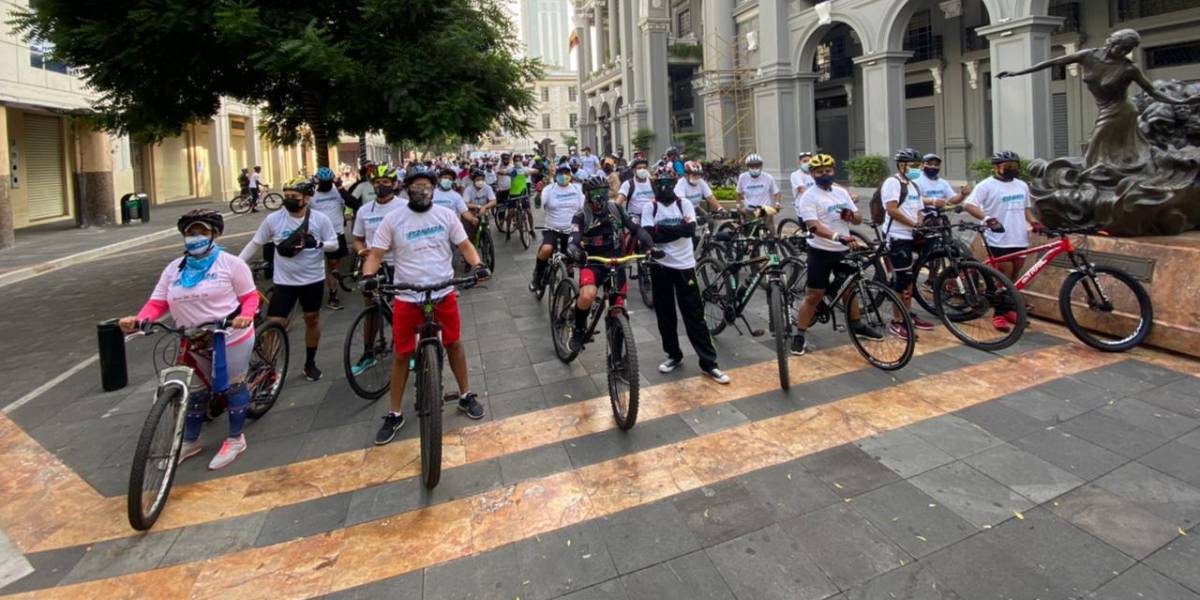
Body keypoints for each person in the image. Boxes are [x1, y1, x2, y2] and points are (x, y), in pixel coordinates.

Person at [120, 209, 259, 469]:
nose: (194, 237)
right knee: (195, 391)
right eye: (189, 233)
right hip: (192, 338)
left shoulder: (231, 264)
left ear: (215, 234)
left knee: (233, 385)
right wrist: (138, 320)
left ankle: (235, 438)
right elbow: (157, 302)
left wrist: (246, 316)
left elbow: (250, 297)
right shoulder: (174, 269)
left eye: (201, 232)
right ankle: (190, 440)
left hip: (229, 335)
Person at [361, 171, 491, 444]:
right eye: (416, 187)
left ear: (434, 190)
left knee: (454, 344)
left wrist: (477, 265)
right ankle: (395, 413)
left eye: (427, 187)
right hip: (407, 297)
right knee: (400, 354)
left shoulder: (445, 216)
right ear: (406, 189)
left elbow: (465, 245)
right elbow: (375, 254)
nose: (422, 191)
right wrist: (368, 277)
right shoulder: (393, 219)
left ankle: (465, 395)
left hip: (443, 292)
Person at [239, 176, 338, 382]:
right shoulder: (274, 219)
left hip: (312, 280)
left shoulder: (320, 219)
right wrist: (235, 265)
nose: (289, 200)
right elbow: (255, 243)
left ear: (307, 199)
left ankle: (310, 363)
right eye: (287, 196)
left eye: (294, 196)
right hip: (284, 282)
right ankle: (269, 366)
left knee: (312, 318)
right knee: (274, 323)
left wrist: (318, 244)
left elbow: (334, 244)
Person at [791, 155, 884, 355]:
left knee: (850, 288)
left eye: (828, 171)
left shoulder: (842, 192)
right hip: (820, 251)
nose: (824, 175)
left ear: (833, 171)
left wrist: (851, 216)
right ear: (813, 174)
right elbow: (813, 225)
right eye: (819, 172)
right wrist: (837, 236)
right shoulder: (809, 196)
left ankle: (857, 324)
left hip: (843, 250)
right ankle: (799, 334)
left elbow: (858, 219)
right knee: (813, 296)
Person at [641, 175, 729, 383]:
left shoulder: (685, 204)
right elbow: (648, 234)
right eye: (659, 185)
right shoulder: (649, 208)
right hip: (660, 266)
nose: (664, 189)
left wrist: (661, 231)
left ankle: (709, 363)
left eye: (668, 185)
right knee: (665, 315)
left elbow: (689, 231)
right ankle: (673, 355)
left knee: (694, 315)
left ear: (674, 187)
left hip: (685, 266)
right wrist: (673, 231)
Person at [567, 177, 657, 353]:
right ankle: (578, 330)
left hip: (617, 263)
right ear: (587, 195)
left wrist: (651, 247)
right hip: (593, 263)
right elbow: (573, 240)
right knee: (587, 296)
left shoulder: (616, 209)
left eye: (603, 193)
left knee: (619, 309)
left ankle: (619, 354)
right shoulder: (580, 216)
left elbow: (636, 229)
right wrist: (574, 250)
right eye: (595, 194)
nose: (599, 197)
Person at [963, 151, 1041, 332]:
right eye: (1008, 166)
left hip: (1019, 237)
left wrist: (1034, 222)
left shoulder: (1021, 185)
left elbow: (1026, 209)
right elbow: (969, 205)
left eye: (1015, 166)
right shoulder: (986, 186)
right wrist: (987, 218)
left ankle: (1007, 309)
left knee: (1014, 276)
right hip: (998, 239)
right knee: (1004, 275)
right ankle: (998, 314)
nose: (1012, 169)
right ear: (997, 167)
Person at [348, 165, 406, 375]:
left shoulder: (404, 206)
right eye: (377, 182)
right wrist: (362, 251)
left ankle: (407, 350)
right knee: (372, 308)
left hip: (399, 263)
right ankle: (368, 352)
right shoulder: (365, 210)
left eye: (385, 182)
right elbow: (357, 239)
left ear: (394, 184)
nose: (381, 186)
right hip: (373, 265)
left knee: (403, 307)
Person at [881, 148, 937, 339]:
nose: (916, 169)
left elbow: (919, 209)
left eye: (918, 165)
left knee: (910, 279)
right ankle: (897, 321)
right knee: (901, 279)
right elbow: (892, 210)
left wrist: (920, 223)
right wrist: (913, 224)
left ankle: (908, 313)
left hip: (911, 235)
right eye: (912, 165)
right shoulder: (892, 183)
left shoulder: (914, 185)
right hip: (897, 236)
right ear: (901, 166)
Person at [530, 164, 585, 293]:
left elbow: (584, 208)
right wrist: (538, 194)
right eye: (561, 173)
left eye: (567, 173)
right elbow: (538, 205)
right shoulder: (549, 189)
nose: (564, 176)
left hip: (572, 230)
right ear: (556, 175)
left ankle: (573, 288)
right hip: (553, 229)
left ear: (570, 175)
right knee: (546, 249)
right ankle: (537, 276)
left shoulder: (577, 189)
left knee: (576, 258)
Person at [310, 167, 349, 311]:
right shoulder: (312, 195)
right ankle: (314, 292)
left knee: (334, 264)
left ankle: (333, 294)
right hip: (317, 235)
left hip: (337, 233)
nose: (326, 184)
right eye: (323, 182)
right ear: (318, 181)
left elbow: (346, 204)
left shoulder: (337, 192)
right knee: (316, 265)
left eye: (329, 182)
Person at [616, 158, 656, 223]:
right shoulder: (628, 184)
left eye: (644, 168)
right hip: (635, 220)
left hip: (652, 218)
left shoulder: (653, 183)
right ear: (634, 170)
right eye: (639, 168)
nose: (642, 170)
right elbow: (618, 202)